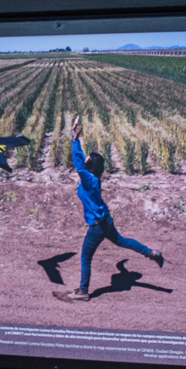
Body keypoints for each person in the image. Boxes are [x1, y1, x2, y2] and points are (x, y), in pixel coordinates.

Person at [58, 117, 162, 301]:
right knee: (121, 241)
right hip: (106, 220)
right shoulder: (94, 177)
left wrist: (75, 140)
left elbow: (78, 163)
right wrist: (76, 138)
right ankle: (151, 253)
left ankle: (83, 292)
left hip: (97, 226)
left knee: (85, 258)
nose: (86, 157)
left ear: (90, 166)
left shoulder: (89, 179)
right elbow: (81, 158)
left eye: (88, 158)